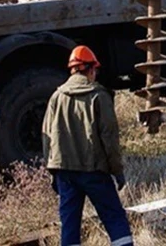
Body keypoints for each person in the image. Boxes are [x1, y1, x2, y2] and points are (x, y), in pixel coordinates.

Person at [42, 45, 133, 246]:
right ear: (91, 69)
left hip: (65, 172)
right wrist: (117, 170)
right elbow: (109, 138)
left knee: (70, 226)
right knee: (114, 218)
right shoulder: (99, 96)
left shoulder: (57, 97)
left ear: (72, 70)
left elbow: (47, 138)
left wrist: (53, 172)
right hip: (94, 171)